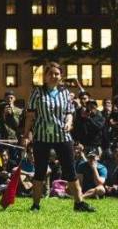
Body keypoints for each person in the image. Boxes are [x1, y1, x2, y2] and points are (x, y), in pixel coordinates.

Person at [21, 62, 96, 212]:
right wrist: (25, 135)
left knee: (70, 171)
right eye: (51, 74)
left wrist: (69, 123)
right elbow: (30, 116)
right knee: (40, 171)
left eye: (57, 74)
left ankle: (79, 203)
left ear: (61, 76)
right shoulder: (37, 93)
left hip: (63, 136)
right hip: (42, 136)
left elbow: (69, 112)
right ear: (45, 77)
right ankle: (35, 204)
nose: (54, 76)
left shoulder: (65, 93)